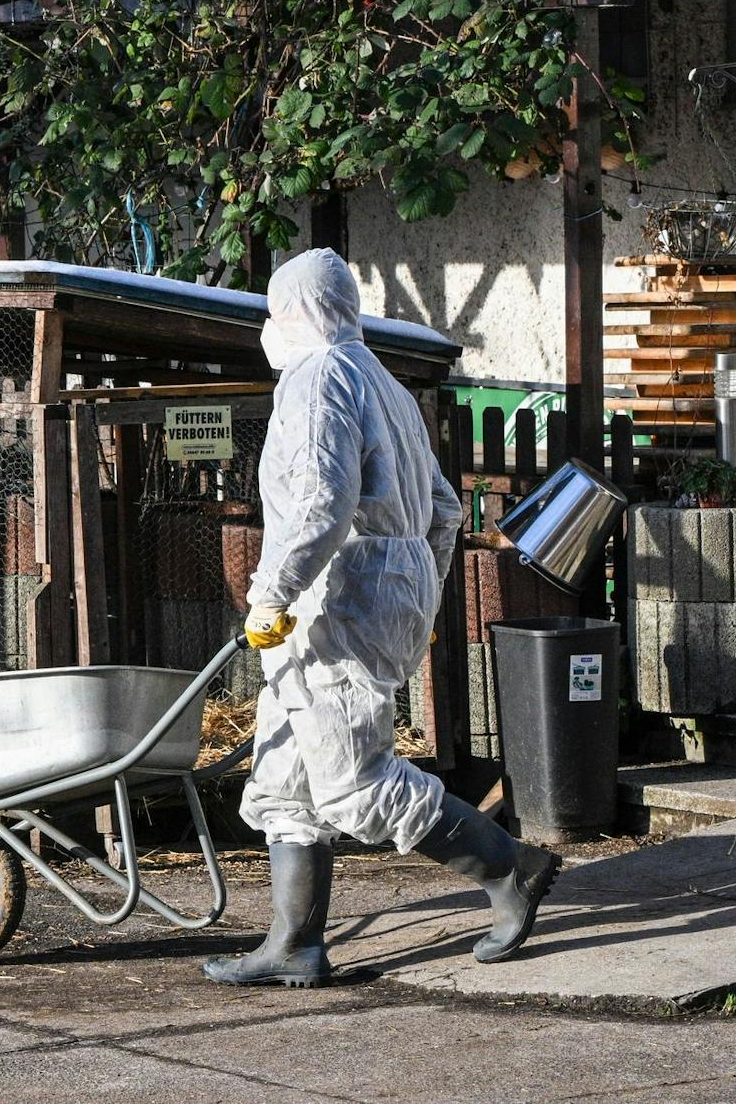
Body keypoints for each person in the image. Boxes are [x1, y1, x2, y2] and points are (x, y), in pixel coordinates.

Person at [203, 248, 561, 989]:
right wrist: (416, 584)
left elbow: (315, 504)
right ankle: (294, 942)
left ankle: (511, 868)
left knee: (352, 783)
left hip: (334, 598)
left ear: (295, 312)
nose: (271, 329)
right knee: (286, 776)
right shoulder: (386, 384)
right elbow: (444, 508)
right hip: (379, 590)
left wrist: (272, 592)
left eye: (276, 313)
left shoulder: (317, 379)